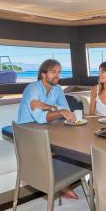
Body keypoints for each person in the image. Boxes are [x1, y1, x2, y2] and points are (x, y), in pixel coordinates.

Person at [17, 59, 79, 199]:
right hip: (27, 134)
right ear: (43, 75)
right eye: (53, 72)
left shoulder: (57, 88)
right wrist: (57, 111)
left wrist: (47, 107)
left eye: (58, 72)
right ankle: (61, 184)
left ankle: (64, 181)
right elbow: (39, 118)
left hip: (46, 129)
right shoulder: (32, 88)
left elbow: (66, 110)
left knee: (74, 141)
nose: (57, 75)